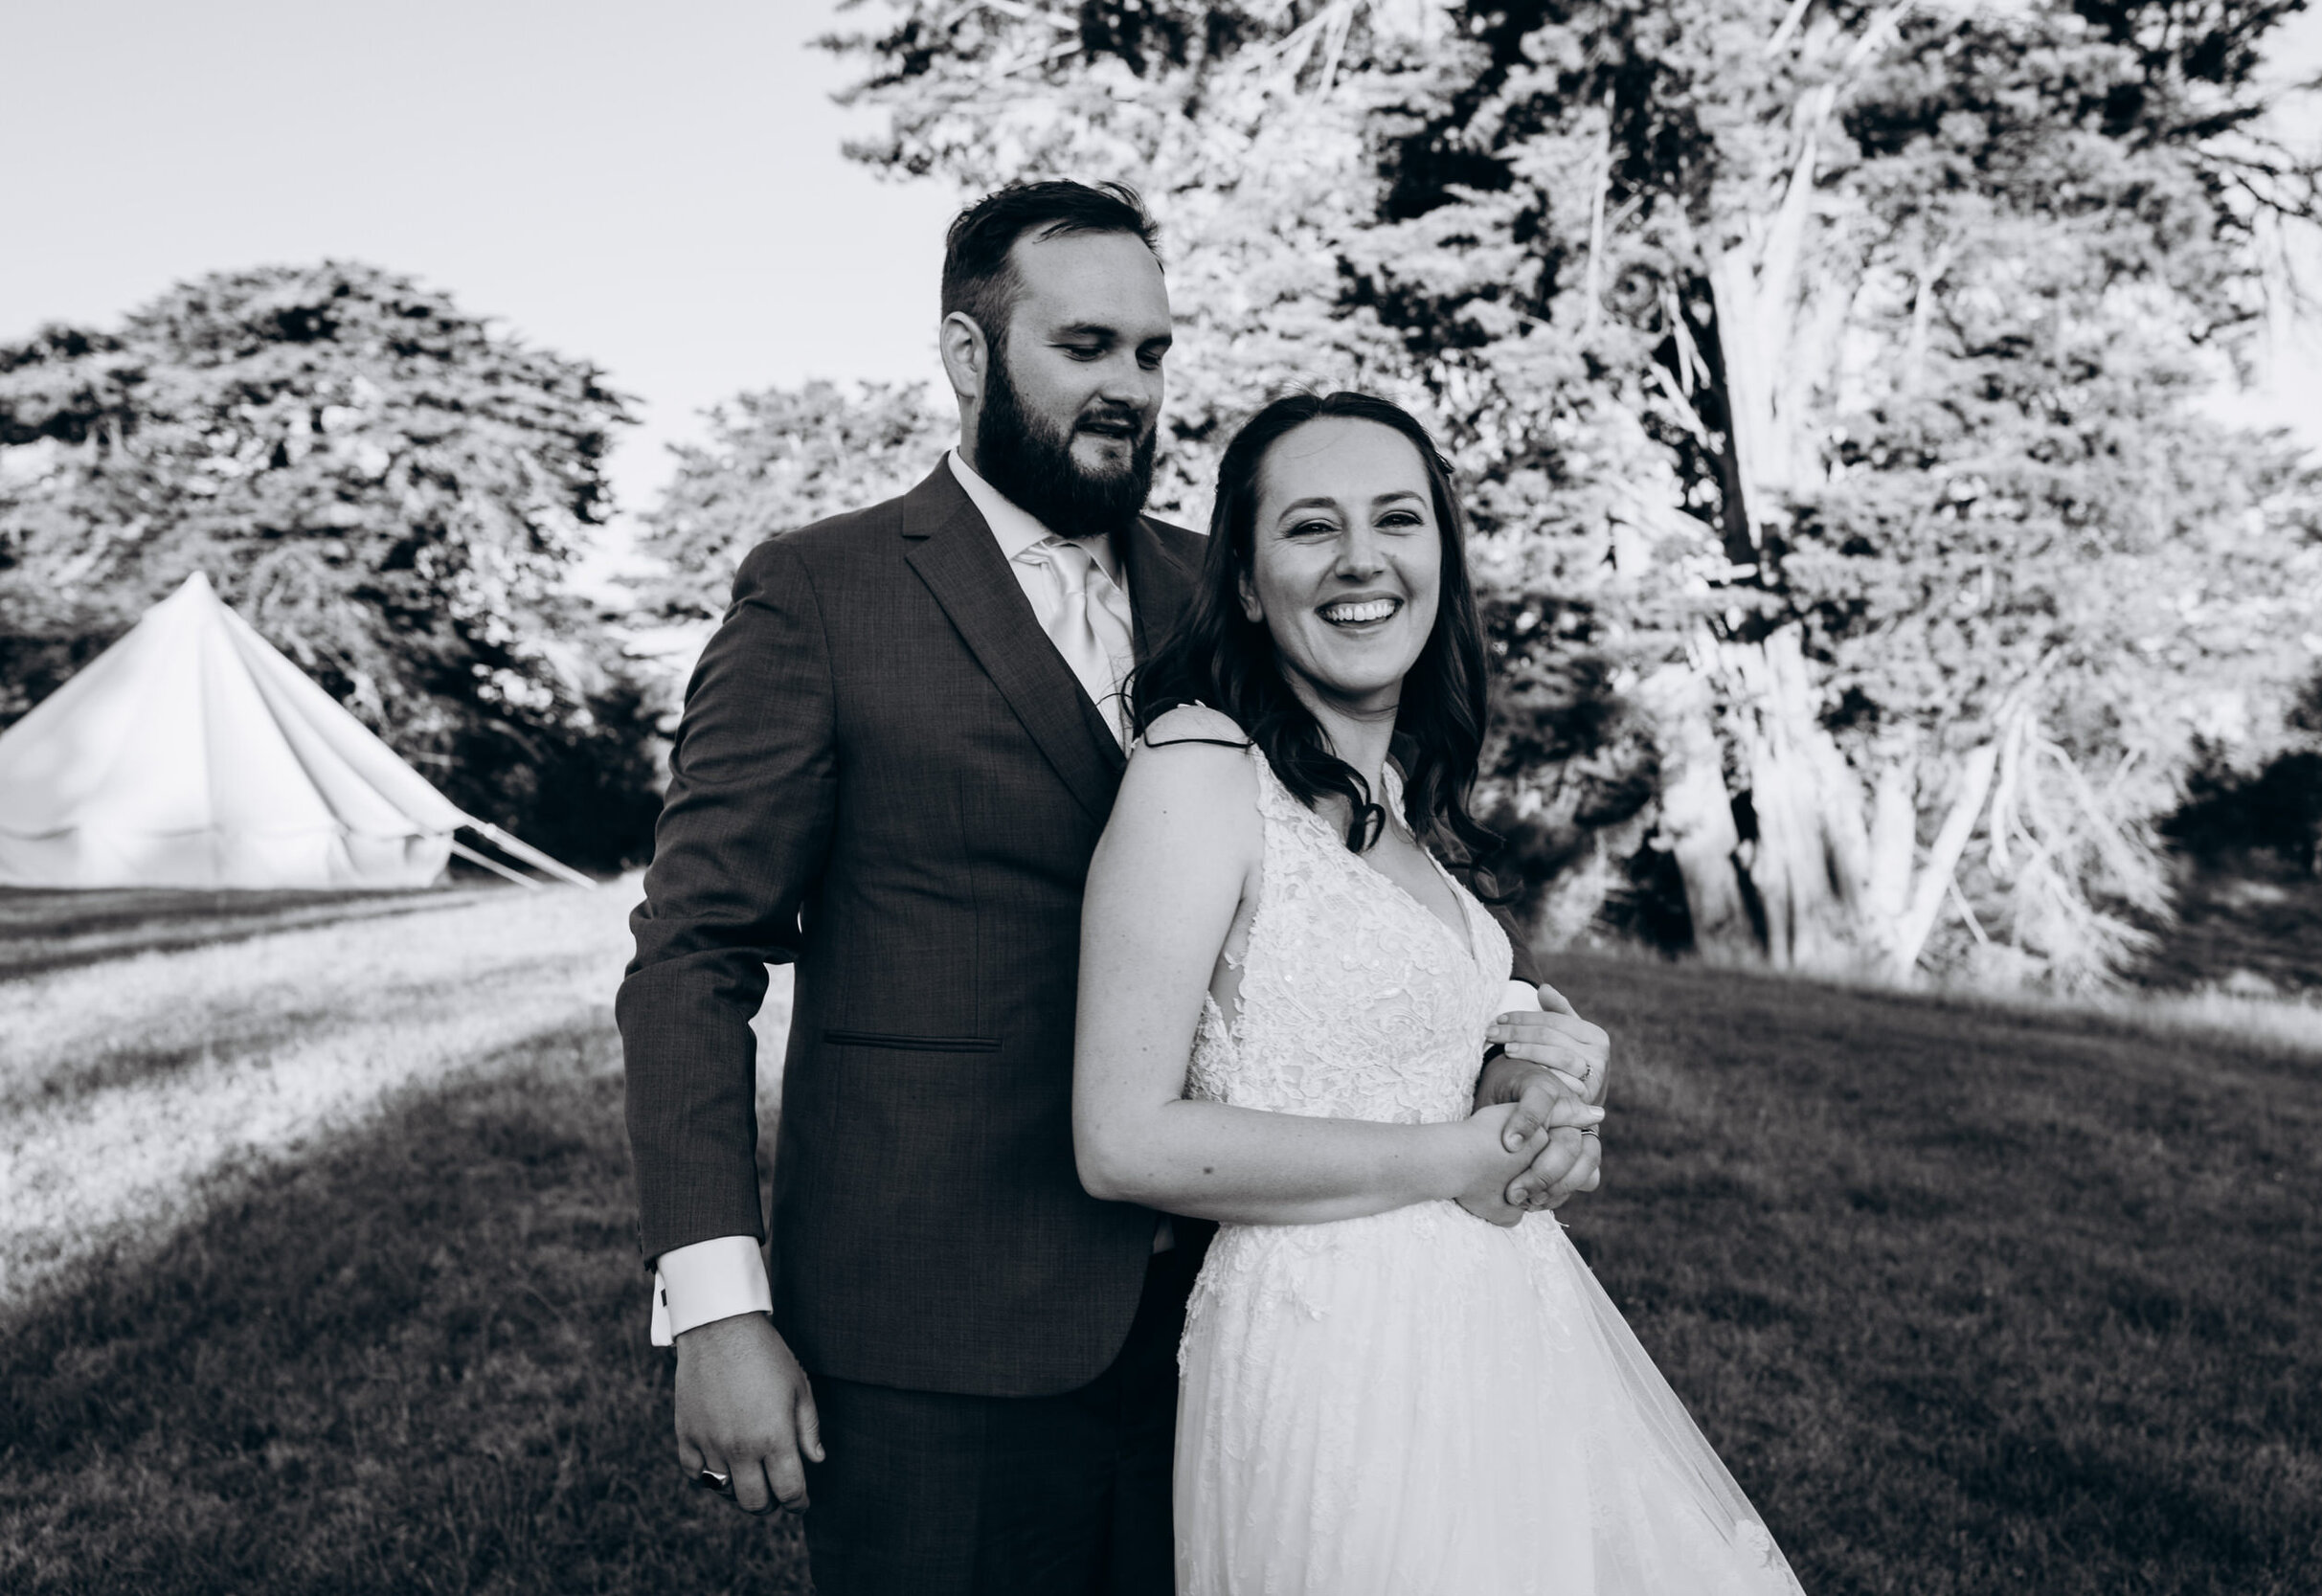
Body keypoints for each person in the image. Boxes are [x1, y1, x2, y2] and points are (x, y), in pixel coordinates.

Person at [616, 182, 1612, 1596]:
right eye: (1086, 346)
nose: (1130, 388)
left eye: (1152, 352)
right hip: (934, 1325)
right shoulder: (822, 592)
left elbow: (1352, 861)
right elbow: (692, 953)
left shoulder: (1225, 585)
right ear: (969, 354)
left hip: (1234, 1307)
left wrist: (1503, 1031)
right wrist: (717, 1305)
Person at [1074, 391, 1808, 1595]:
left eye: (1397, 519)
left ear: (1440, 557)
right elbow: (1122, 1138)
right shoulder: (1199, 765)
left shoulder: (1402, 806)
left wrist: (1528, 1076)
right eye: (1311, 527)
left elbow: (1419, 1031)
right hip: (1330, 1353)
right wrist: (1454, 1156)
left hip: (1505, 1337)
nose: (1363, 559)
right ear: (1248, 584)